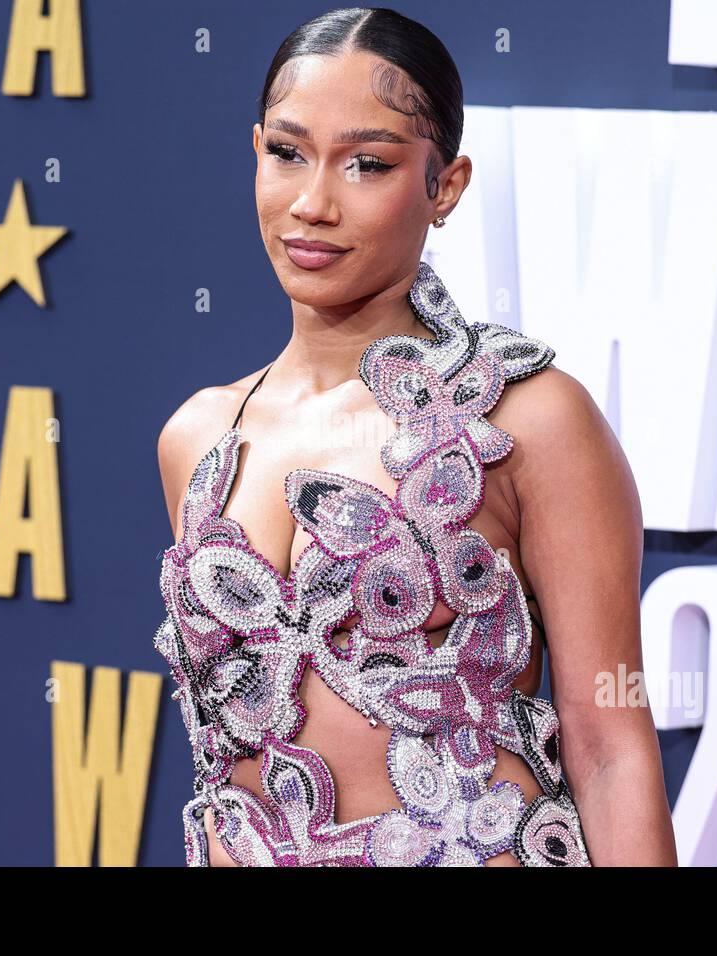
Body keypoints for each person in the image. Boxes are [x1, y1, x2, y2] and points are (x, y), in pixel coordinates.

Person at [155, 6, 676, 867]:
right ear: (256, 154)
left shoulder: (528, 418)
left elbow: (609, 743)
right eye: (288, 153)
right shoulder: (200, 440)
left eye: (367, 164)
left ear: (445, 186)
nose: (313, 203)